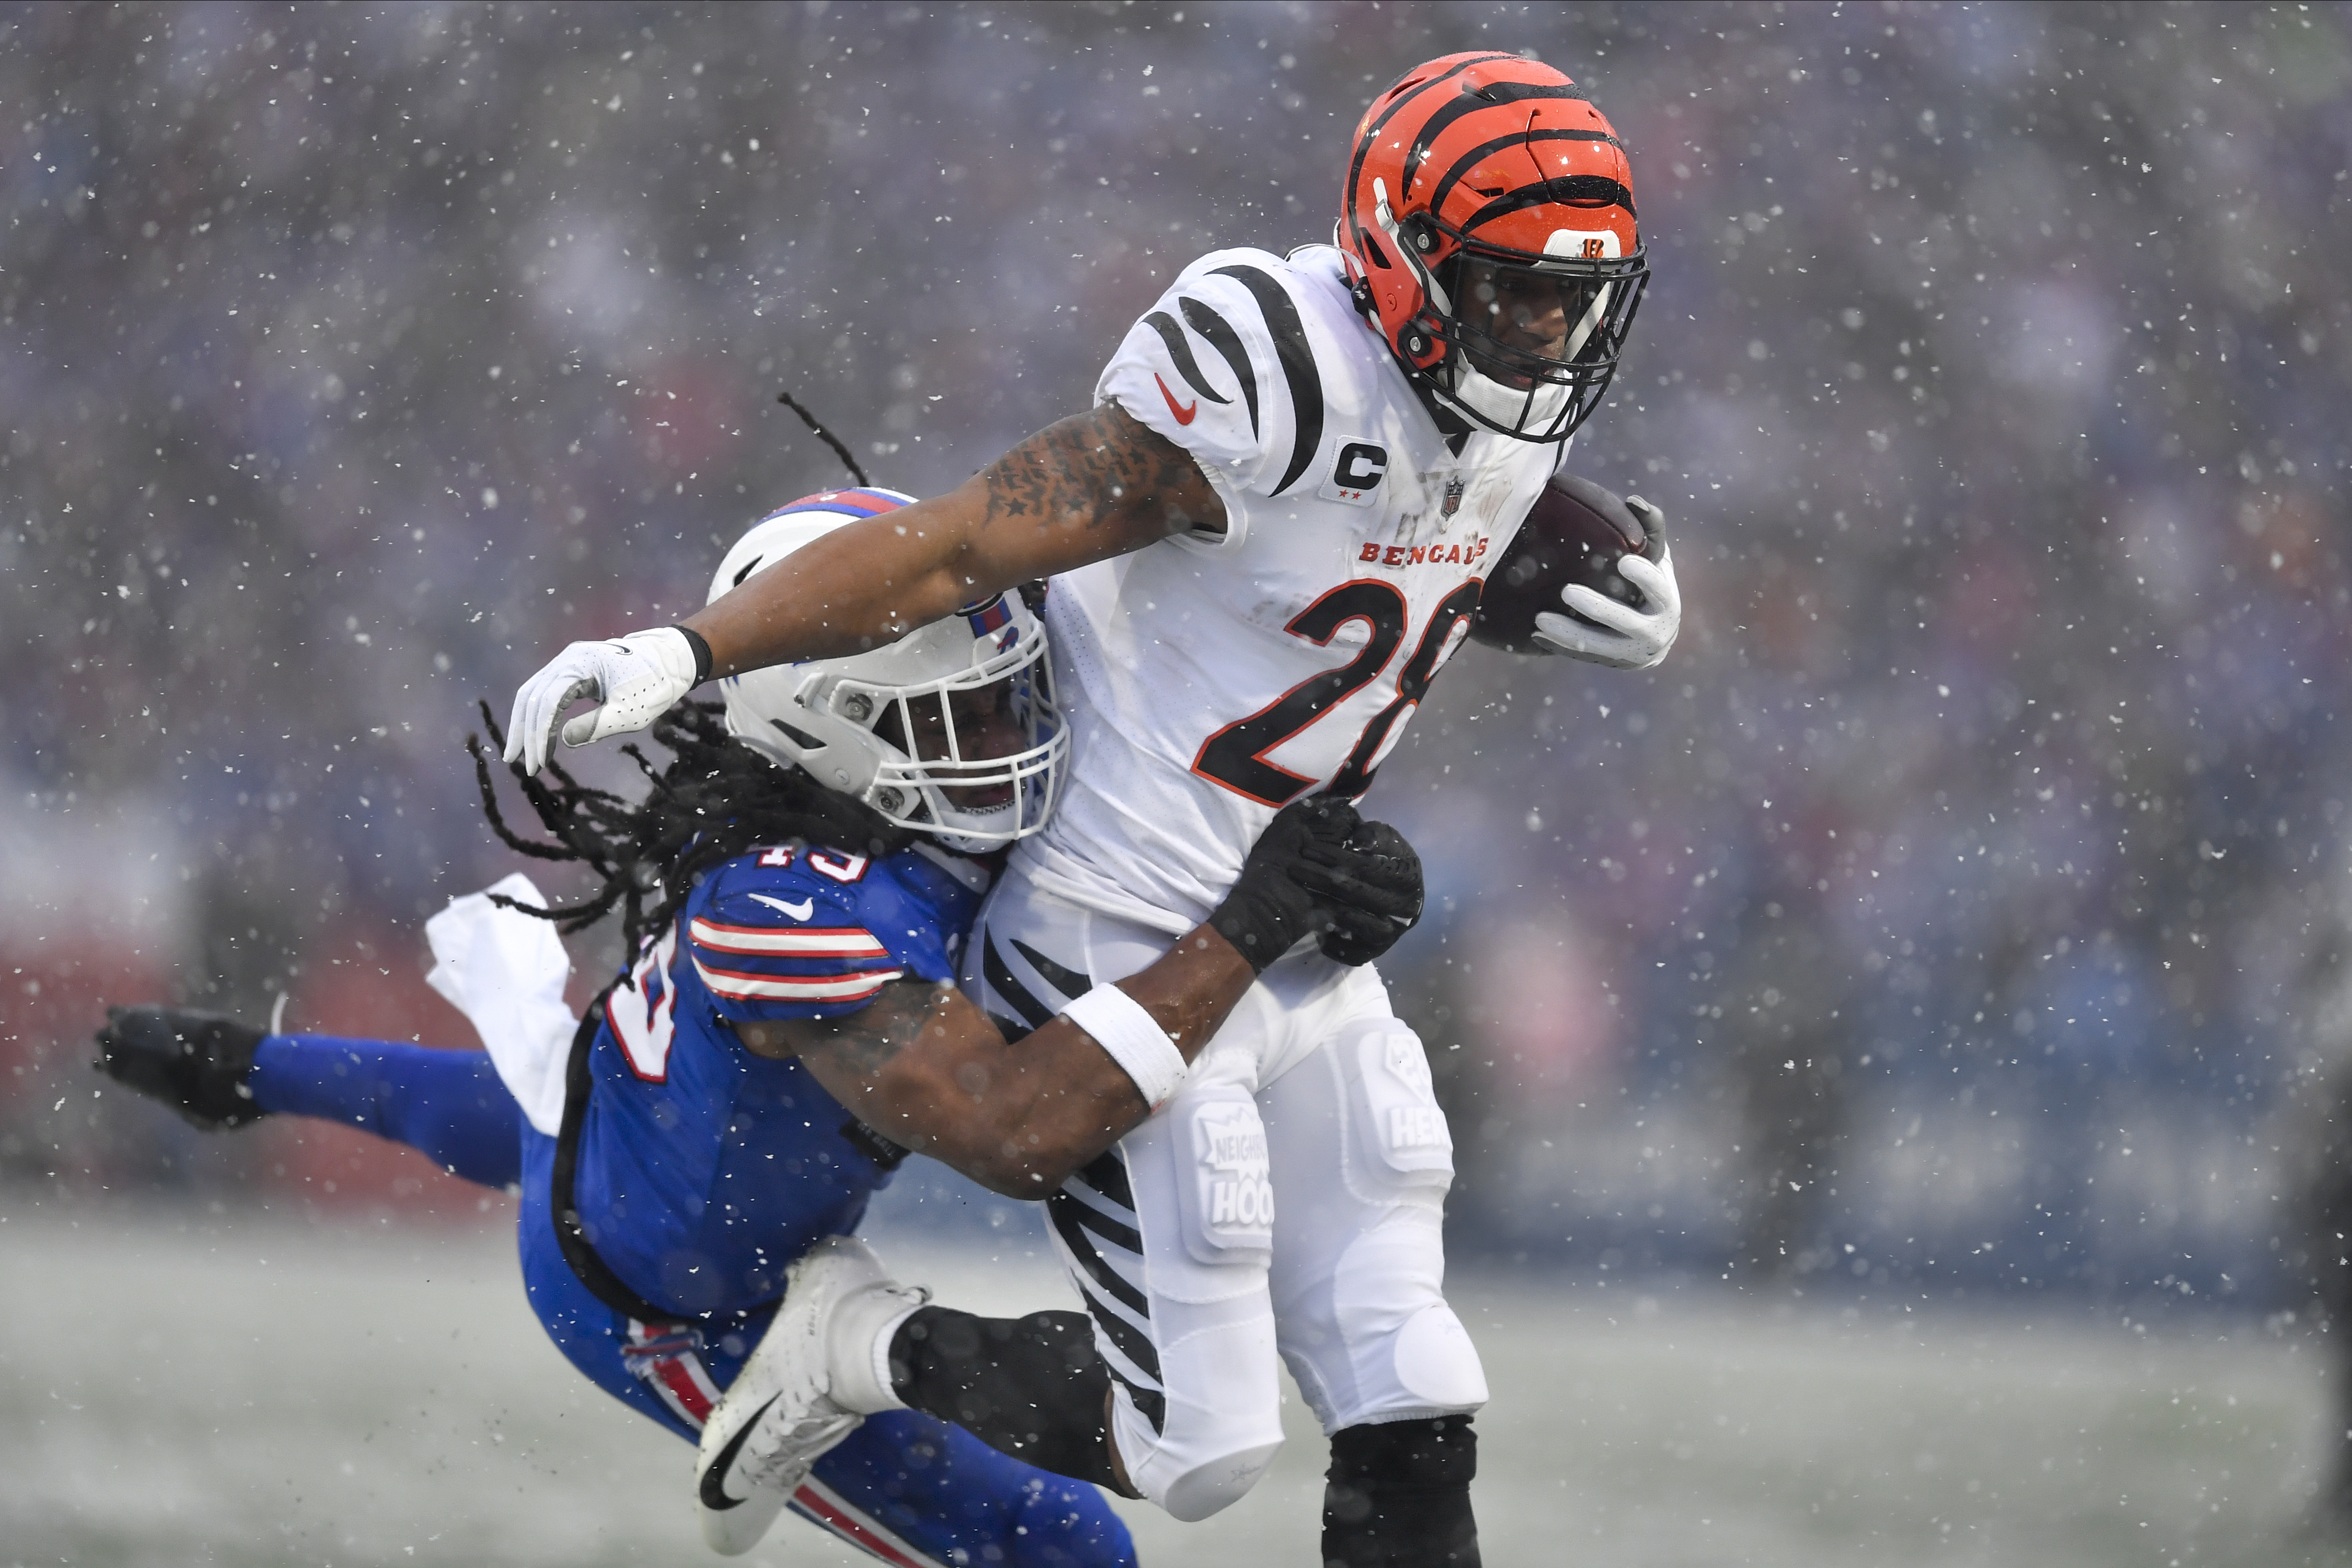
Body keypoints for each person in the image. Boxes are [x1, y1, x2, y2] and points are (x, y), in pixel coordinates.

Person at [503, 52, 1681, 1568]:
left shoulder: (1504, 404)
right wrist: (688, 650)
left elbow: (1366, 563)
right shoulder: (1273, 366)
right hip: (1118, 931)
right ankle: (855, 1350)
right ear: (1403, 259)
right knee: (1198, 1449)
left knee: (1411, 1374)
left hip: (1295, 928)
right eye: (1516, 289)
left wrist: (1526, 570)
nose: (1552, 330)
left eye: (1575, 297)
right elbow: (958, 547)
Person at [97, 489, 1424, 1568]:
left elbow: (529, 1109)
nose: (1015, 741)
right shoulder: (789, 909)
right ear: (826, 725)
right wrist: (1251, 925)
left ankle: (864, 1334)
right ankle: (852, 1343)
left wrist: (1324, 892)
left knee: (559, 1116)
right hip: (670, 1311)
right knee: (1064, 1544)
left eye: (1018, 696)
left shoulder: (896, 829)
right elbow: (1018, 1131)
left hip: (631, 1146)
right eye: (969, 714)